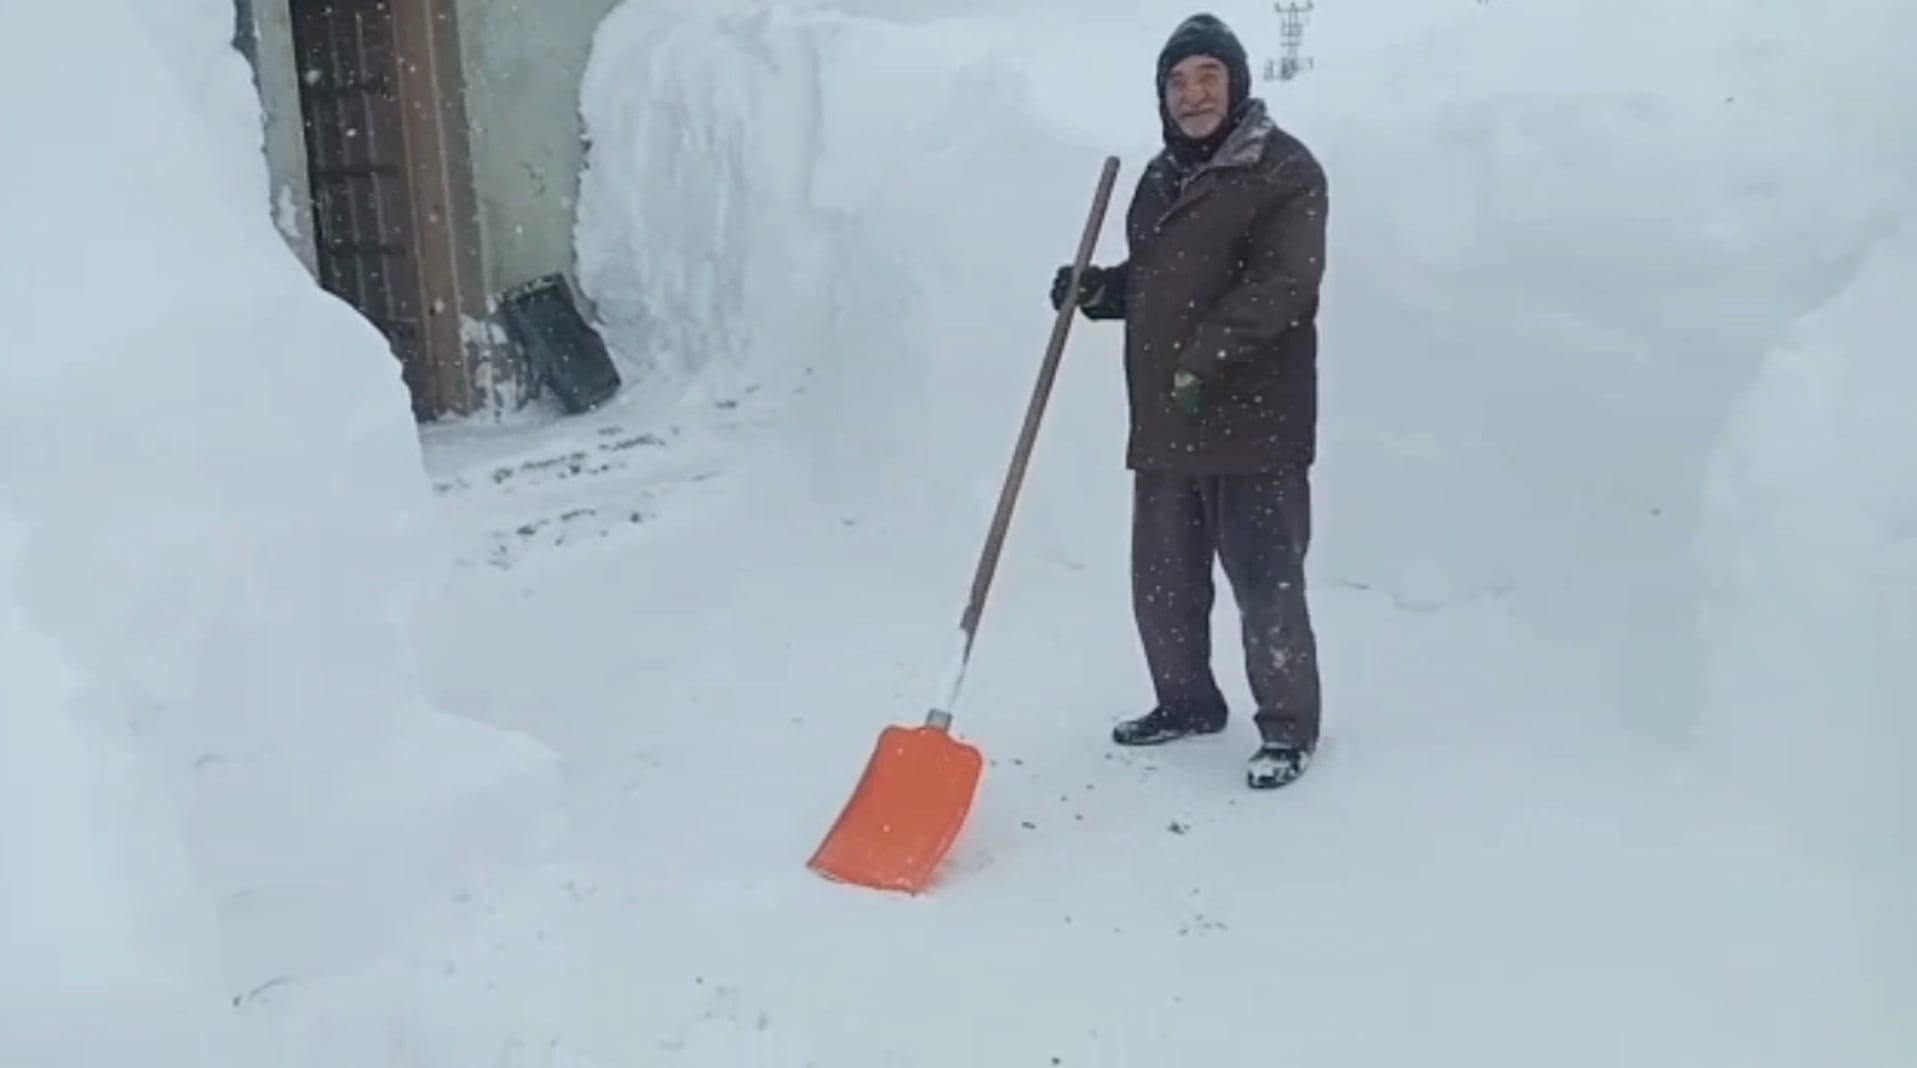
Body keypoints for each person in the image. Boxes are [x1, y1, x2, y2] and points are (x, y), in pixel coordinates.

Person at [1050, 12, 1328, 790]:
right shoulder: (1161, 176)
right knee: (1163, 579)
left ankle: (1286, 728)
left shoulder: (1284, 171)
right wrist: (1103, 291)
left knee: (1264, 579)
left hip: (1255, 418)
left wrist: (1202, 359)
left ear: (1236, 84)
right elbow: (1159, 278)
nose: (1191, 94)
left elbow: (1283, 286)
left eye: (1207, 76)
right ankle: (1186, 703)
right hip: (1171, 415)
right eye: (1176, 82)